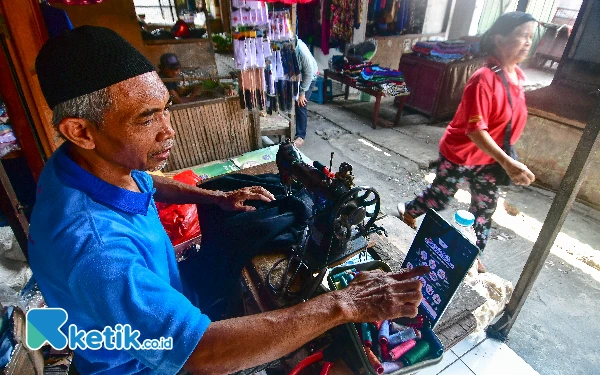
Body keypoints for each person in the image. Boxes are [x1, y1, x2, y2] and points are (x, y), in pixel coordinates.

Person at [29, 26, 427, 374]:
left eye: (165, 110)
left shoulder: (83, 163)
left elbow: (148, 183)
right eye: (146, 119)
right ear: (80, 130)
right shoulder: (97, 252)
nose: (169, 131)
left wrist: (216, 198)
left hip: (163, 312)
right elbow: (200, 353)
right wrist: (344, 304)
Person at [397, 12, 537, 269]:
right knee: (440, 198)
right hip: (460, 154)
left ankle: (471, 255)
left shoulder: (518, 76)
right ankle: (407, 210)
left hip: (490, 159)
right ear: (499, 38)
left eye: (531, 36)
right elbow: (475, 130)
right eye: (522, 36)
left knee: (483, 210)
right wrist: (508, 163)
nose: (528, 42)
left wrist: (504, 159)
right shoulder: (482, 79)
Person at [293, 37, 318, 147]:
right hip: (299, 74)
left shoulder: (303, 53)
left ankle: (300, 136)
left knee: (301, 103)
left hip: (310, 77)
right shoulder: (291, 45)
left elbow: (309, 74)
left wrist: (302, 93)